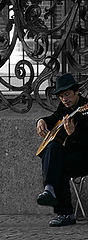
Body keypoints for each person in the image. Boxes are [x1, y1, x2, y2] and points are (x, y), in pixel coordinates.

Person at [36, 73, 88, 227]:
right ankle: (49, 189)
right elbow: (53, 119)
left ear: (76, 92)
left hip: (85, 156)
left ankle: (65, 213)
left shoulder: (85, 110)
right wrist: (40, 121)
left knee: (58, 165)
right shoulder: (64, 108)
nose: (65, 99)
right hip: (71, 157)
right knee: (53, 148)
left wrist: (73, 133)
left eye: (67, 94)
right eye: (61, 96)